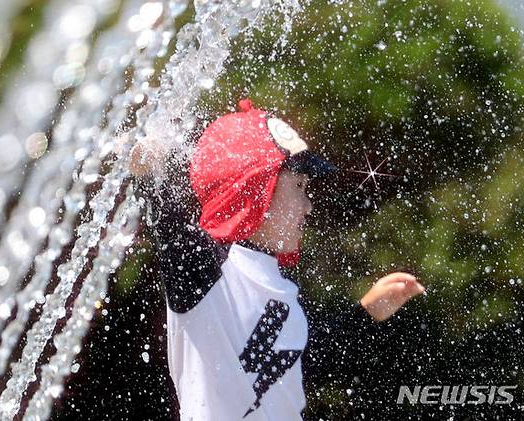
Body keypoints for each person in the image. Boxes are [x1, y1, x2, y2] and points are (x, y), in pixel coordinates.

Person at [130, 99, 425, 420]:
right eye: (298, 186)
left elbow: (305, 358)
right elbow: (170, 227)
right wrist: (149, 174)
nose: (308, 205)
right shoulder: (206, 273)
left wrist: (366, 314)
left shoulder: (279, 287)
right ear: (257, 188)